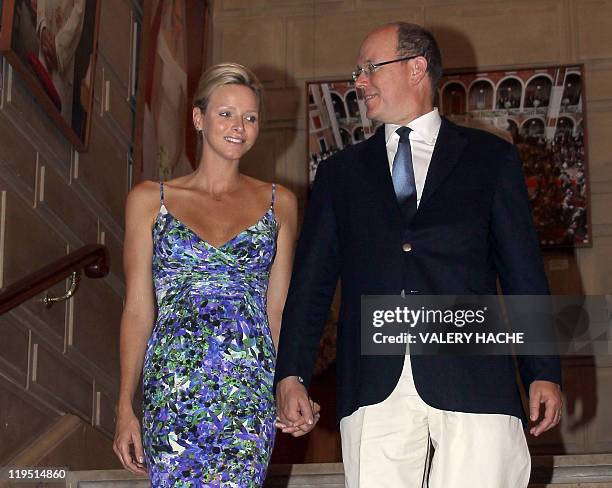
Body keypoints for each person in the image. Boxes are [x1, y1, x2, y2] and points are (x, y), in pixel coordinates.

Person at [274, 23, 562, 487]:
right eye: (357, 72)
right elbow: (311, 286)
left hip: (474, 373)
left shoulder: (491, 160)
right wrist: (292, 374)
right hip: (373, 380)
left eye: (370, 68)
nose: (358, 82)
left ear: (416, 68)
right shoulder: (339, 175)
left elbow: (523, 271)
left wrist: (542, 370)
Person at [113, 62, 303, 487]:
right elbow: (139, 309)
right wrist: (126, 405)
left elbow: (279, 311)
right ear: (198, 119)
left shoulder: (280, 204)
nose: (239, 126)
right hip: (173, 384)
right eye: (226, 113)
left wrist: (287, 383)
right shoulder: (149, 200)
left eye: (250, 118)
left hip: (247, 385)